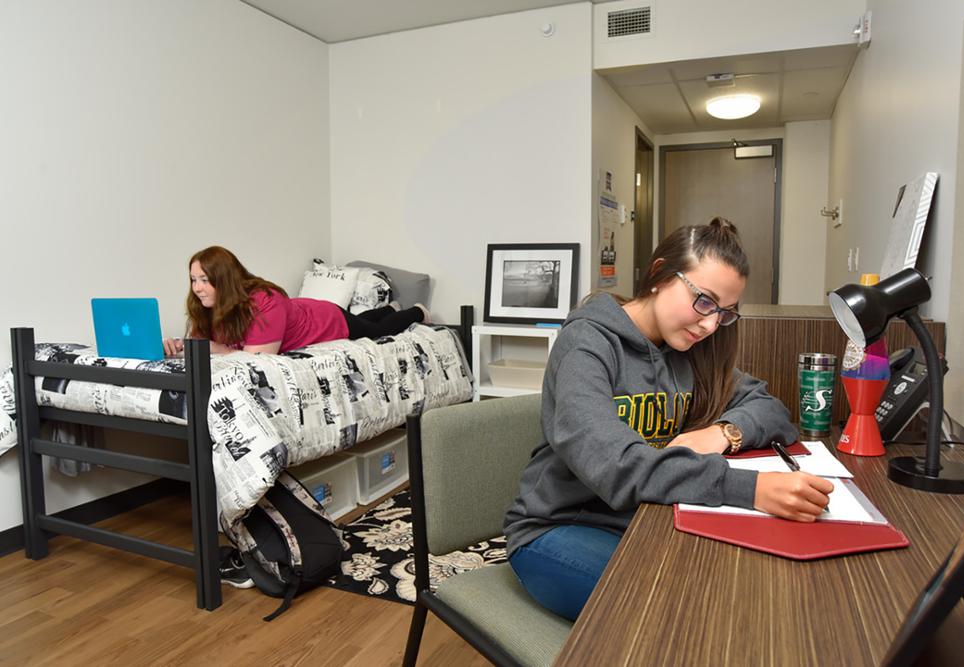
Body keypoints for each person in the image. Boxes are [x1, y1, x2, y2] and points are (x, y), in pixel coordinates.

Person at [503, 217, 834, 621]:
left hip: (647, 517)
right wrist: (751, 489)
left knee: (746, 585)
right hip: (559, 529)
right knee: (693, 610)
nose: (711, 324)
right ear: (660, 273)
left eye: (725, 312)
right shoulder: (586, 344)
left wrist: (722, 433)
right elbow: (617, 467)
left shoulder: (687, 351)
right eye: (704, 300)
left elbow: (771, 409)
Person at [163, 246, 429, 356]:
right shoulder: (204, 307)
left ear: (224, 279)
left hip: (325, 320)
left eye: (204, 280)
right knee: (363, 320)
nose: (197, 288)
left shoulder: (265, 301)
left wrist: (214, 348)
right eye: (193, 280)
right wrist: (177, 347)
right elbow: (201, 346)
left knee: (375, 332)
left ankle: (416, 312)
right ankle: (387, 308)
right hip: (302, 313)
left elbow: (258, 358)